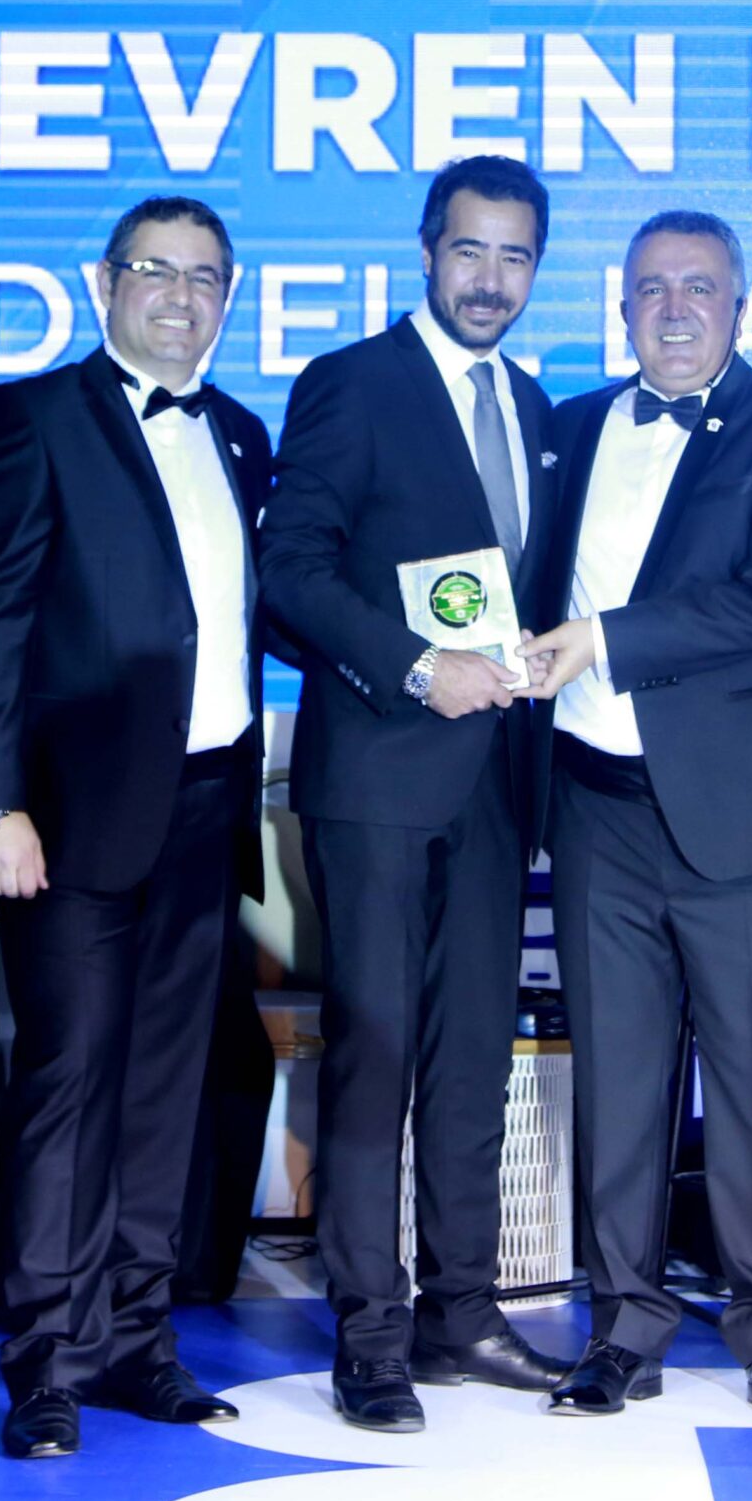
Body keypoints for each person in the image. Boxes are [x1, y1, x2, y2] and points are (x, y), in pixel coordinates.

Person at [0, 195, 270, 1460]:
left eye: (206, 277)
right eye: (156, 271)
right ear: (103, 282)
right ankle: (46, 1361)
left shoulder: (240, 433)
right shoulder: (29, 417)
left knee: (164, 1094)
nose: (181, 297)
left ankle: (138, 1340)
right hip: (72, 818)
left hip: (209, 808)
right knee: (67, 1089)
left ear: (229, 296)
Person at [519, 210, 752, 1428]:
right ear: (620, 307)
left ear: (739, 307)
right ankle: (622, 1327)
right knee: (617, 1076)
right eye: (651, 288)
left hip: (740, 811)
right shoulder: (566, 427)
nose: (673, 309)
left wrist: (604, 638)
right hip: (592, 802)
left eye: (698, 288)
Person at [259, 155, 566, 1430]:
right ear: (427, 250)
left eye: (515, 256)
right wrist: (415, 665)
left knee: (470, 1058)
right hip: (378, 772)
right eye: (470, 250)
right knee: (375, 1051)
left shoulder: (535, 403)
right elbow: (290, 569)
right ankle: (369, 1332)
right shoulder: (351, 382)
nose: (490, 279)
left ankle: (461, 1313)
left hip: (498, 781)